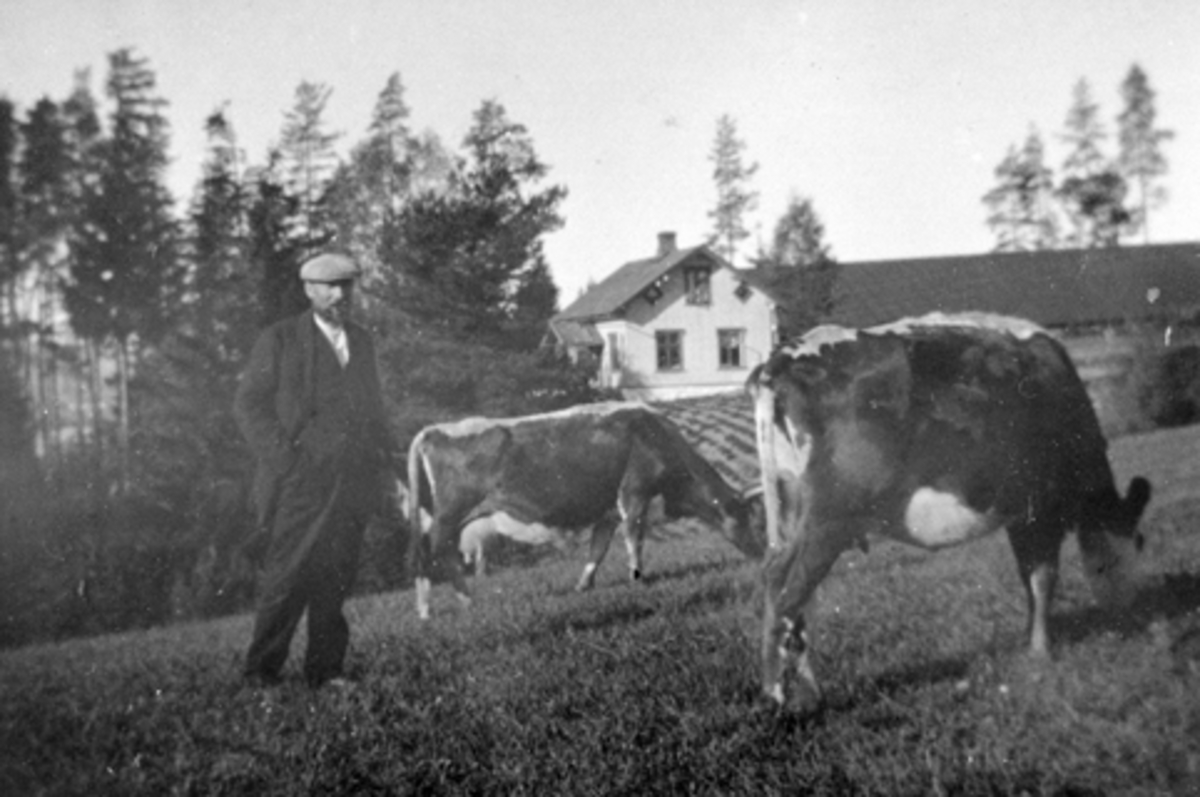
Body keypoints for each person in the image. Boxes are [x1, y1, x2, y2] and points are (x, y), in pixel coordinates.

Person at [234, 252, 393, 689]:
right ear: (308, 290)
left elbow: (374, 409)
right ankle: (260, 673)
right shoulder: (281, 339)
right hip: (299, 483)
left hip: (352, 479)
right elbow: (249, 406)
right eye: (328, 286)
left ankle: (326, 671)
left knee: (335, 577)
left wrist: (387, 466)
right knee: (286, 575)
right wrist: (287, 462)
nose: (338, 294)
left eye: (345, 285)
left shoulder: (360, 340)